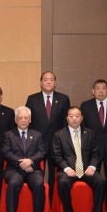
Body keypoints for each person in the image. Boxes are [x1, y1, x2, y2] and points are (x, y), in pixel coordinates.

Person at [52, 107, 106, 212]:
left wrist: (92, 166)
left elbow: (96, 153)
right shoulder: (59, 135)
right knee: (62, 182)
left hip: (86, 169)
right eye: (71, 116)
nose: (74, 119)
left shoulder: (90, 133)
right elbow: (56, 156)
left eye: (77, 116)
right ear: (67, 118)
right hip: (68, 170)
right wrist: (66, 169)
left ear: (81, 118)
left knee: (101, 181)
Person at [25, 71, 70, 203]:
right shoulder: (32, 99)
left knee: (54, 175)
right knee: (37, 173)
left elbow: (65, 122)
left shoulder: (63, 98)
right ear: (41, 83)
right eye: (45, 79)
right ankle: (40, 202)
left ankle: (50, 202)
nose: (48, 82)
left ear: (55, 83)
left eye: (51, 79)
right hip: (37, 144)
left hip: (56, 144)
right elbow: (28, 122)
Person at [2, 106, 48, 212]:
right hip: (14, 170)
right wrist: (22, 163)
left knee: (39, 184)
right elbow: (6, 152)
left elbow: (42, 152)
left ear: (30, 120)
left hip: (33, 170)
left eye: (26, 118)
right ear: (15, 120)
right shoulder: (8, 135)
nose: (23, 120)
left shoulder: (37, 135)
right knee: (13, 184)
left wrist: (30, 161)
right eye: (20, 118)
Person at [80, 79, 107, 177]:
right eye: (98, 88)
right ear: (93, 91)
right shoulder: (85, 106)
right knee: (93, 176)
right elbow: (83, 128)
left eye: (104, 88)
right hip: (93, 147)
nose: (101, 91)